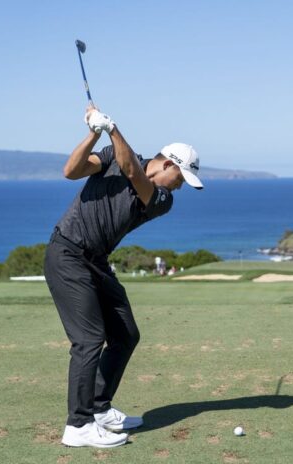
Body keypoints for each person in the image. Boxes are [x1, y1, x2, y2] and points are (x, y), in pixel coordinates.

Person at [44, 106, 203, 448]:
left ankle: (99, 408)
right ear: (168, 164)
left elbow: (132, 171)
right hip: (67, 254)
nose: (180, 187)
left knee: (125, 334)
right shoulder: (110, 156)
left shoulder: (161, 199)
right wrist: (94, 133)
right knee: (89, 339)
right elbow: (71, 171)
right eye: (181, 179)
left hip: (96, 262)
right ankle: (78, 425)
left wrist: (112, 128)